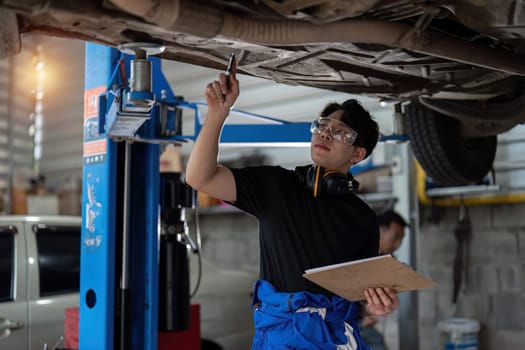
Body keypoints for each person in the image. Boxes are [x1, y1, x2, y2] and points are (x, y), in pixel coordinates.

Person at [186, 57, 399, 350]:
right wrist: (217, 114)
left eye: (340, 133)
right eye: (323, 125)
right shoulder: (277, 186)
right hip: (282, 339)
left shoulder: (363, 218)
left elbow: (356, 297)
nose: (325, 133)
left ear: (358, 154)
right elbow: (200, 177)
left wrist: (375, 306)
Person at [360, 210, 408, 349]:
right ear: (380, 230)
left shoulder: (387, 260)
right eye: (395, 237)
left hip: (365, 315)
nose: (398, 244)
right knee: (376, 343)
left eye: (401, 240)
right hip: (343, 315)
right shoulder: (359, 253)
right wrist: (362, 316)